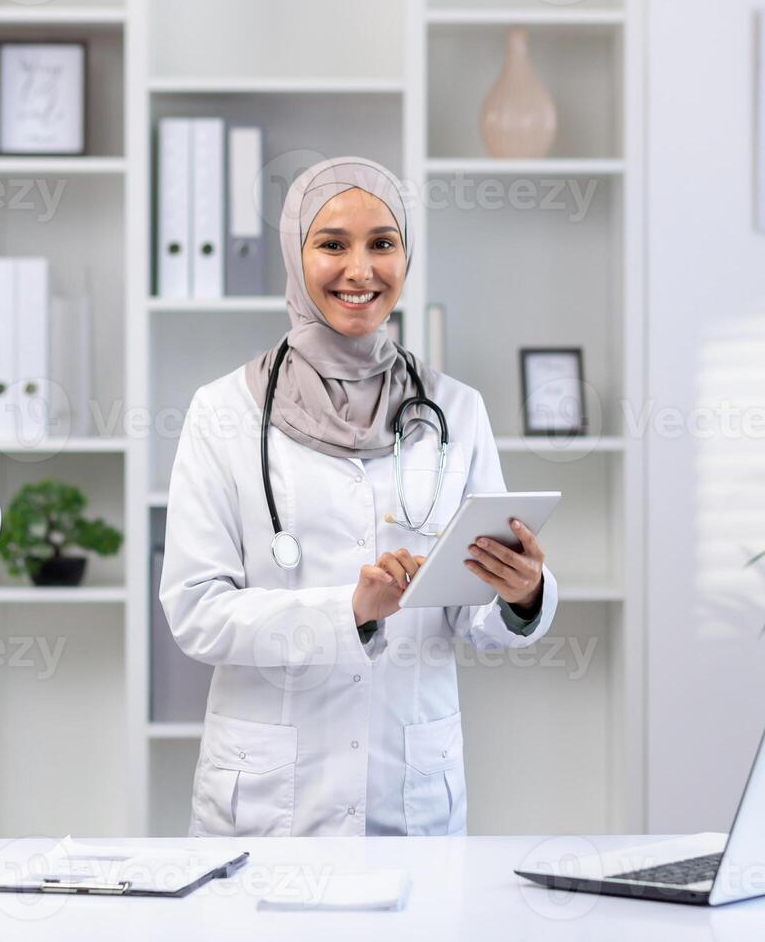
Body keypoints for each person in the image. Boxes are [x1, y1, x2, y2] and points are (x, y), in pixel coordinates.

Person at [160, 156, 560, 837]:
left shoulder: (455, 411)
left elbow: (473, 619)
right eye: (332, 244)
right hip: (271, 801)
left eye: (383, 243)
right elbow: (197, 612)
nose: (360, 269)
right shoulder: (222, 412)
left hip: (409, 791)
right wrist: (347, 612)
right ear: (295, 253)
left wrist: (521, 596)